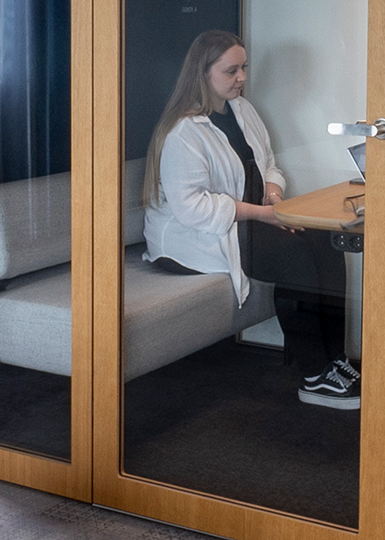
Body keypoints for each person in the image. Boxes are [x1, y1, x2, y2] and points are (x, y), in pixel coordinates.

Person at [141, 30, 357, 409]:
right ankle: (313, 374)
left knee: (325, 239)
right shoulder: (182, 132)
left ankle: (334, 359)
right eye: (231, 71)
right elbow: (193, 209)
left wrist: (274, 197)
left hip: (248, 220)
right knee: (294, 255)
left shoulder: (242, 110)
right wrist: (267, 215)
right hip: (191, 239)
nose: (242, 77)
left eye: (243, 68)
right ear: (202, 74)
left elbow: (269, 164)